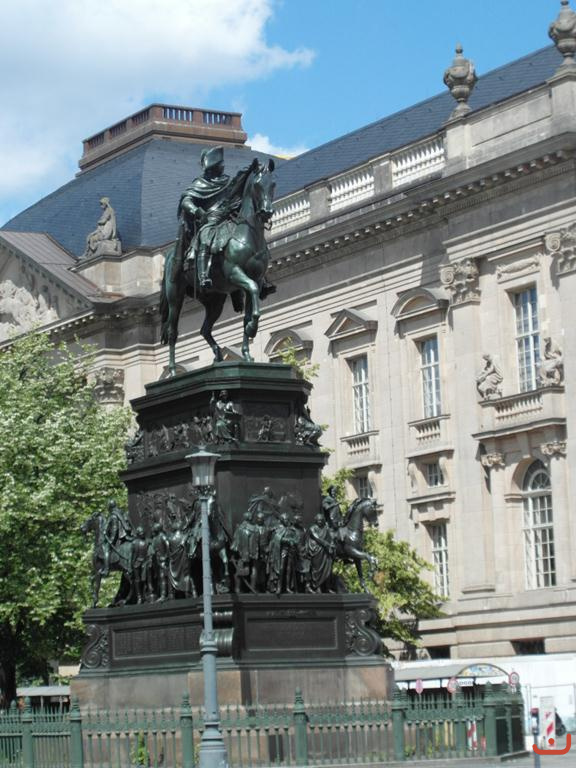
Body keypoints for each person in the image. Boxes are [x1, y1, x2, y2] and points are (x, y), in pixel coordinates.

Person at [177, 146, 235, 290]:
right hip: (211, 220)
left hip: (229, 218)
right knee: (205, 237)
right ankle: (203, 275)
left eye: (222, 163)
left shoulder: (228, 182)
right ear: (212, 167)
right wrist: (196, 211)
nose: (223, 166)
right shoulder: (200, 183)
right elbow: (186, 201)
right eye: (220, 164)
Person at [306, 513, 336, 593]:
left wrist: (332, 544)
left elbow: (331, 537)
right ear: (316, 521)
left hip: (326, 552)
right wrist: (328, 545)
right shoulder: (312, 528)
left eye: (321, 520)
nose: (320, 521)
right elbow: (317, 538)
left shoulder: (326, 528)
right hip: (317, 551)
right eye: (318, 520)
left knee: (328, 570)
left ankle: (328, 588)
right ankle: (317, 587)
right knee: (317, 570)